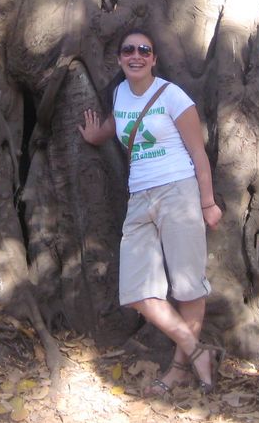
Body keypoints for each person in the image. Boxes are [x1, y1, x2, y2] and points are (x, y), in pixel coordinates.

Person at [78, 29, 224, 395]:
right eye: (129, 50)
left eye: (145, 50)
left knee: (188, 288)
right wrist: (96, 136)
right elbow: (118, 126)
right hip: (139, 198)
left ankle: (178, 369)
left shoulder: (173, 96)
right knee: (136, 291)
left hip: (179, 192)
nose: (136, 55)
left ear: (154, 59)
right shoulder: (120, 94)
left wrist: (207, 203)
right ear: (119, 58)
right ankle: (197, 350)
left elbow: (198, 154)